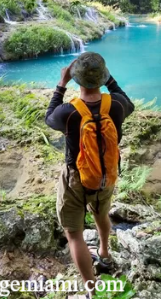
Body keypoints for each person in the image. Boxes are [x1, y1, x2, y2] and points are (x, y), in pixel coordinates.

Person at [45, 52, 134, 297]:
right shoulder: (115, 104)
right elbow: (130, 103)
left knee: (74, 234)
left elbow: (49, 117)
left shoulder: (68, 112)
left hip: (76, 178)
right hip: (107, 175)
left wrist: (61, 84)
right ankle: (104, 253)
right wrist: (108, 79)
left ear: (76, 79)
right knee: (101, 212)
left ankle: (91, 289)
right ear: (104, 77)